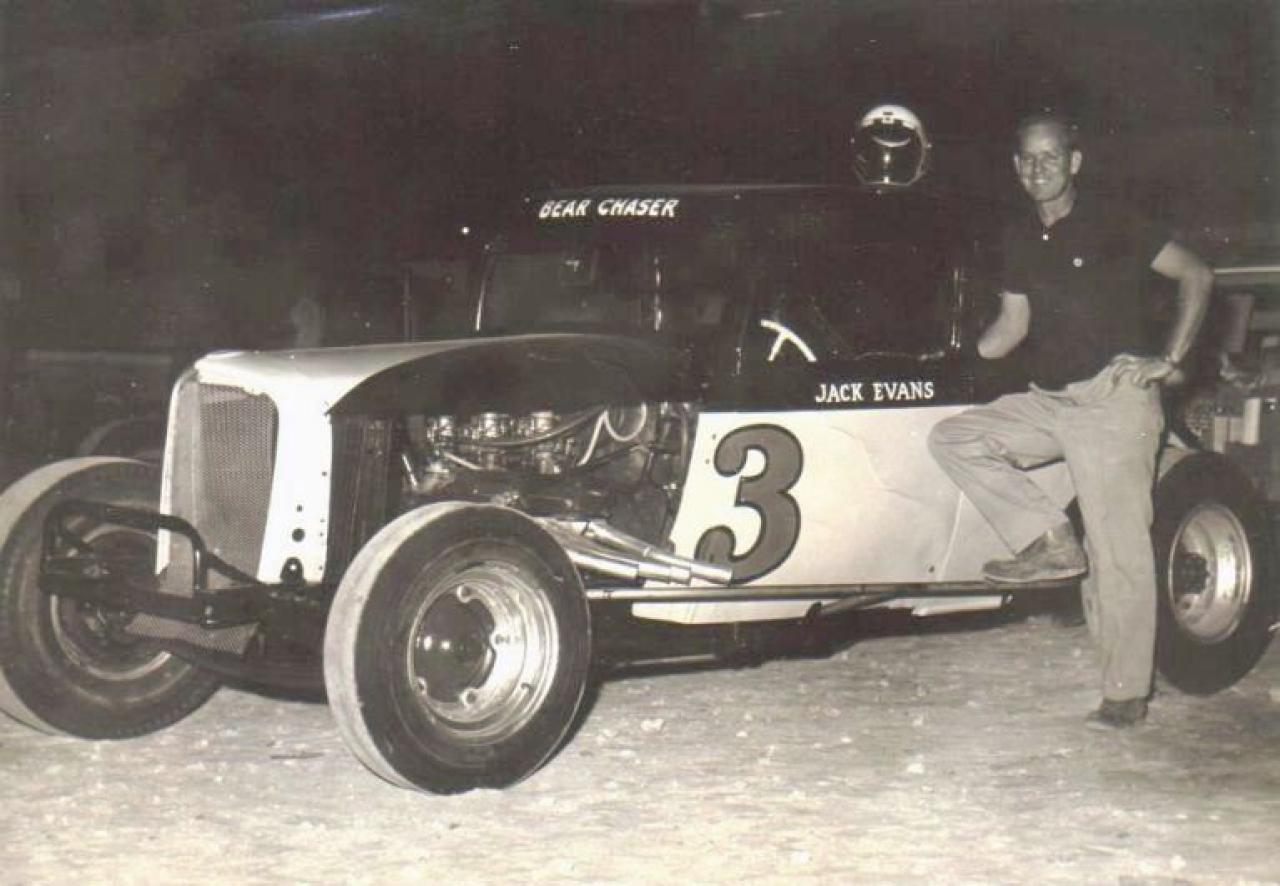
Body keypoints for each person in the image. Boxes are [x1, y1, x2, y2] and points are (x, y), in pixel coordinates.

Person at [928, 111, 1214, 729]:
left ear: (1074, 162)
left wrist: (1169, 360)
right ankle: (1050, 539)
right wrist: (941, 356)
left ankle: (1125, 694)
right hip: (1052, 401)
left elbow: (1196, 273)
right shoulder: (1018, 237)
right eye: (1028, 159)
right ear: (1015, 167)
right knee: (956, 438)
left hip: (1113, 403)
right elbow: (1011, 329)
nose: (1039, 168)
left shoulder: (1115, 220)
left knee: (1117, 552)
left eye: (1051, 157)